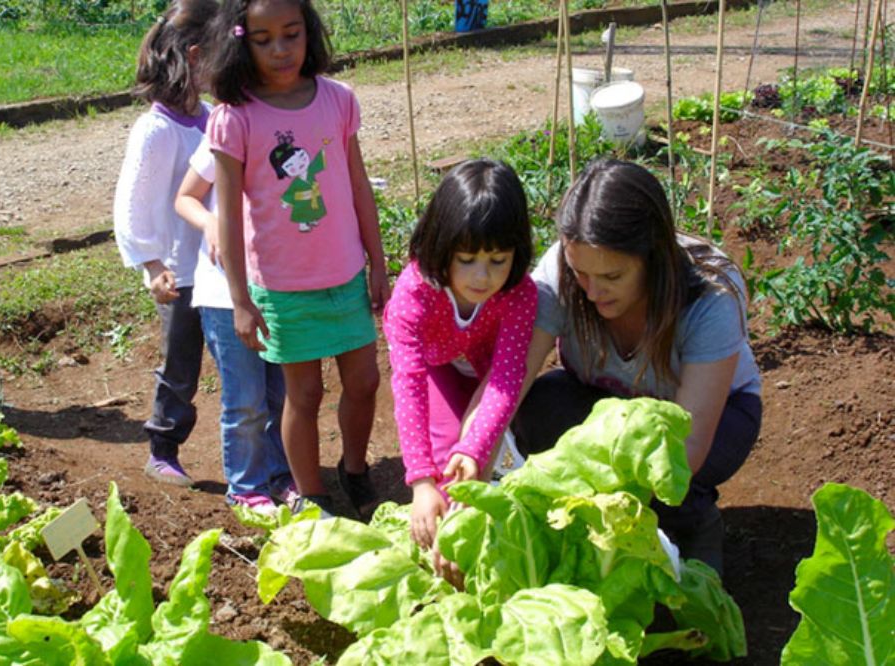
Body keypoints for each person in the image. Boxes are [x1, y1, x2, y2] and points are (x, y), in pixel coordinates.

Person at [514, 159, 762, 574]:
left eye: (612, 275)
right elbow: (509, 382)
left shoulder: (711, 295)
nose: (592, 291)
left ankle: (694, 522)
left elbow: (689, 446)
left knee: (674, 478)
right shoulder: (560, 271)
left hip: (712, 422)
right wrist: (469, 458)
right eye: (581, 274)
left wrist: (594, 493)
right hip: (604, 405)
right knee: (538, 409)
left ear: (654, 257)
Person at [204, 0, 389, 519]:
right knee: (302, 394)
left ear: (309, 33)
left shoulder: (338, 100)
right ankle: (314, 497)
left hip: (347, 274)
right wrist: (239, 299)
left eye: (291, 34)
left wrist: (377, 263)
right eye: (263, 40)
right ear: (241, 41)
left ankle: (355, 469)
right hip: (283, 287)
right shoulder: (235, 118)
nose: (280, 50)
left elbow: (357, 186)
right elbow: (228, 220)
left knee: (365, 382)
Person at [383, 158, 537, 550]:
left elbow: (505, 379)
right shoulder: (414, 294)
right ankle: (444, 547)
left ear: (516, 253)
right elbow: (409, 382)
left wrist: (476, 447)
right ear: (441, 246)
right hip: (439, 370)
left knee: (491, 455)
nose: (482, 277)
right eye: (466, 260)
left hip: (488, 375)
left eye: (497, 260)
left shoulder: (520, 294)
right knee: (443, 462)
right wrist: (420, 480)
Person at [113, 0, 217, 488]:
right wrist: (152, 265)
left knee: (247, 362)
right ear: (196, 57)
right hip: (180, 272)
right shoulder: (156, 132)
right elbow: (133, 206)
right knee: (181, 365)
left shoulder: (214, 116)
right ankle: (162, 446)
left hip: (220, 269)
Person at [175, 137, 297, 514]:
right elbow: (185, 197)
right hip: (224, 293)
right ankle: (245, 487)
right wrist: (210, 222)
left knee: (281, 393)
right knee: (246, 400)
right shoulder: (227, 128)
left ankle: (279, 475)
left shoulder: (287, 127)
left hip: (280, 288)